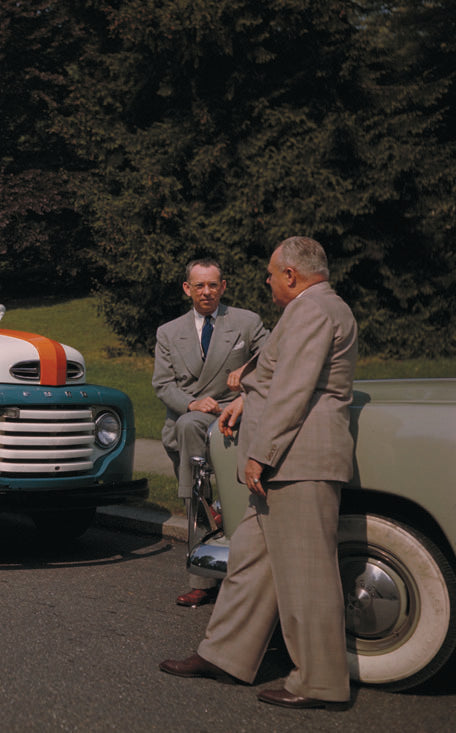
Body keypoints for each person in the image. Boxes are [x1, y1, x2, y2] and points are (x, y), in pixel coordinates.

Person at [159, 237, 358, 710]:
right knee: (249, 562)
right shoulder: (315, 309)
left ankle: (320, 683)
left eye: (271, 274)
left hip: (296, 461)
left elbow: (295, 390)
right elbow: (283, 376)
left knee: (307, 577)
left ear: (291, 274)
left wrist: (260, 455)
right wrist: (248, 398)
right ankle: (224, 655)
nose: (266, 282)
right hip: (285, 462)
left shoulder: (313, 310)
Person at [152, 258, 268, 607]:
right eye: (199, 285)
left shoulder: (246, 322)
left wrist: (246, 375)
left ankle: (199, 503)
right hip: (192, 416)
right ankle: (201, 577)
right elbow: (162, 384)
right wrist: (190, 403)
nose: (206, 292)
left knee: (234, 500)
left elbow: (275, 355)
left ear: (223, 287)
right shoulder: (168, 332)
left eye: (213, 285)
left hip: (235, 414)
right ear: (187, 288)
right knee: (187, 431)